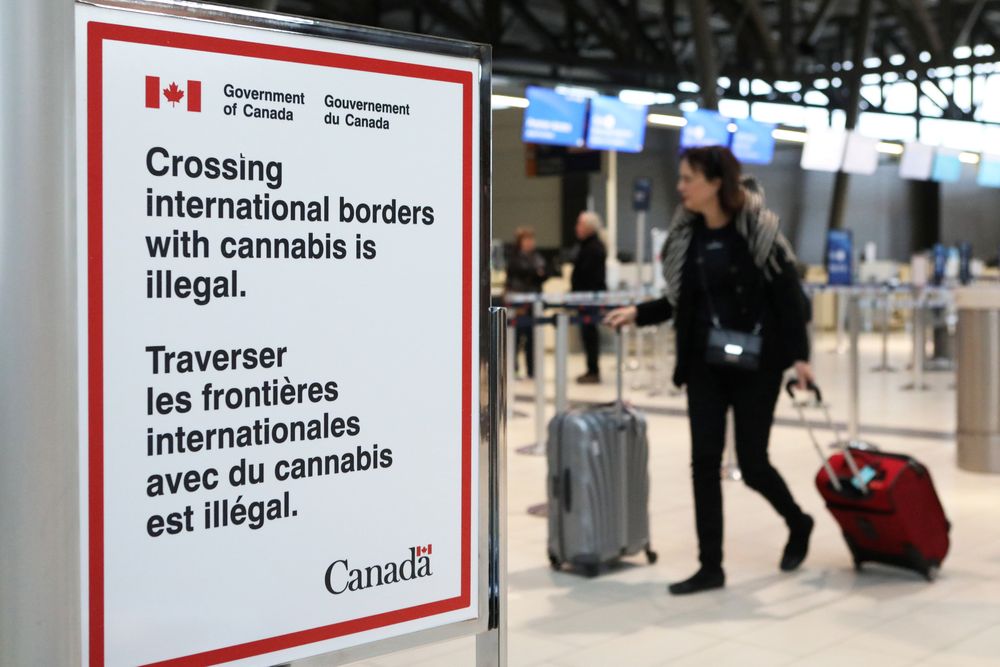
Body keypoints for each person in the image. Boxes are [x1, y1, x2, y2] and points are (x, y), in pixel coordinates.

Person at [604, 146, 816, 595]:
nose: (680, 187)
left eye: (688, 178)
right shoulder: (688, 237)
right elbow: (680, 301)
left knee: (753, 464)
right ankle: (710, 566)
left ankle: (799, 522)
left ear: (716, 182)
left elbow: (788, 297)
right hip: (704, 364)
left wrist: (801, 358)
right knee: (704, 463)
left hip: (757, 364)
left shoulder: (758, 231)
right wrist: (638, 313)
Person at [505, 227, 547, 378]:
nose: (530, 242)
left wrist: (536, 273)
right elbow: (525, 272)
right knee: (516, 337)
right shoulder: (515, 258)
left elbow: (545, 273)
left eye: (531, 239)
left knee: (532, 337)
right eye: (526, 239)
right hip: (518, 303)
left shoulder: (537, 256)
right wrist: (535, 272)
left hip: (534, 303)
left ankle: (532, 370)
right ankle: (513, 368)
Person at [571, 211, 607, 384]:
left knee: (590, 335)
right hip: (584, 298)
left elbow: (588, 275)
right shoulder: (587, 246)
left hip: (589, 299)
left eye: (580, 224)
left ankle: (593, 370)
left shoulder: (593, 248)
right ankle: (592, 369)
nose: (577, 228)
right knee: (588, 335)